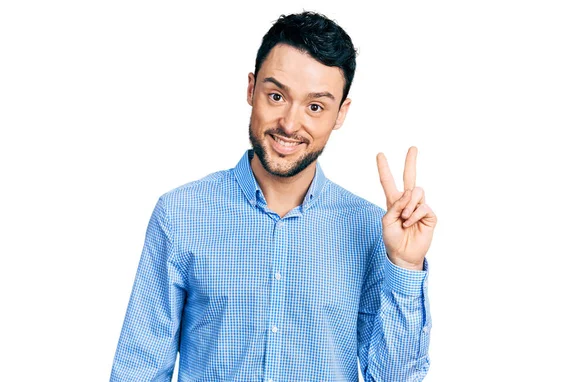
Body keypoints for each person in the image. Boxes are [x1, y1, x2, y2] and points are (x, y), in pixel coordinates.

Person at [110, 11, 437, 382]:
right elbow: (139, 370)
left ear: (340, 113)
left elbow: (393, 378)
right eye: (277, 95)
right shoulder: (181, 214)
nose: (290, 124)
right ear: (251, 89)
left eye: (315, 106)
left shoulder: (370, 228)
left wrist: (406, 267)